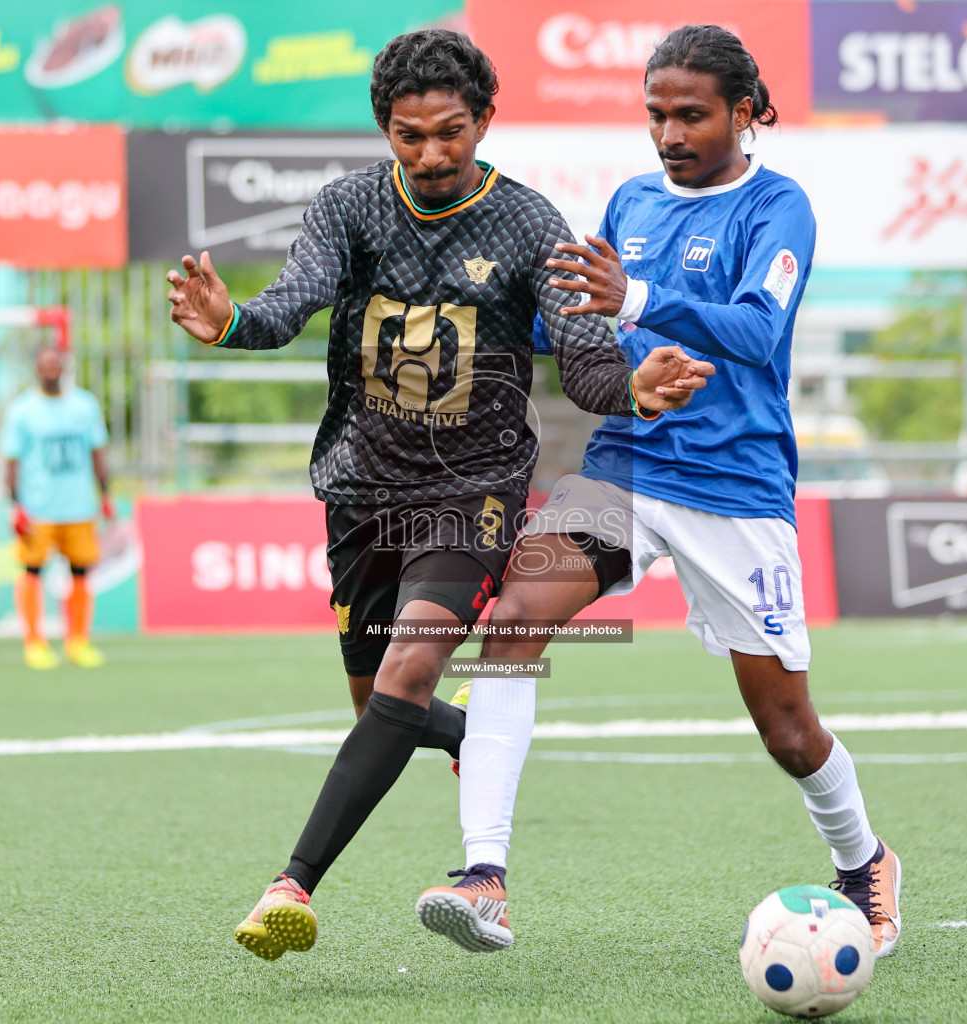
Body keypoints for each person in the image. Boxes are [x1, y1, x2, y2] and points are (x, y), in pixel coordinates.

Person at [163, 29, 715, 962]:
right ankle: (473, 730)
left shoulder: (535, 225)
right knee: (377, 702)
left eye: (450, 133)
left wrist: (630, 387)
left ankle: (289, 885)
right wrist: (231, 326)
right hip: (362, 493)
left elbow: (580, 360)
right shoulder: (347, 207)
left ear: (485, 121)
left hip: (473, 491)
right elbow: (292, 301)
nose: (430, 155)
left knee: (405, 675)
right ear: (386, 129)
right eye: (409, 136)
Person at [415, 25, 902, 958]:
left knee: (788, 729)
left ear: (747, 111)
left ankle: (864, 860)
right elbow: (592, 326)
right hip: (629, 461)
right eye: (655, 115)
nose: (670, 134)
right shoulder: (632, 200)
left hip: (736, 487)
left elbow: (758, 332)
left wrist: (634, 298)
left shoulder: (778, 206)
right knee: (514, 620)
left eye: (691, 114)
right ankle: (484, 877)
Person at [0, 345, 115, 670]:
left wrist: (105, 495)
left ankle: (77, 642)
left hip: (79, 506)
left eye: (55, 365)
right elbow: (11, 461)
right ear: (36, 369)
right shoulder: (23, 410)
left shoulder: (84, 405)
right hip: (38, 509)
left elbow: (97, 452)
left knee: (80, 572)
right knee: (32, 571)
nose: (51, 371)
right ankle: (34, 643)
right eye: (44, 366)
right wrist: (15, 504)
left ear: (63, 367)